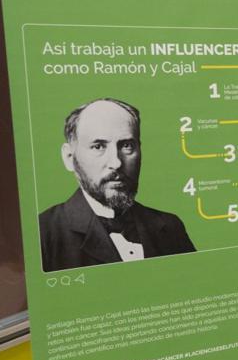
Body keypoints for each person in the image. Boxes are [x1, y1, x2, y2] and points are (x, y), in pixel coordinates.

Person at [39, 98, 195, 271]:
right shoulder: (43, 234)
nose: (116, 162)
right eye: (98, 146)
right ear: (69, 158)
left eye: (127, 146)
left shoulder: (170, 227)